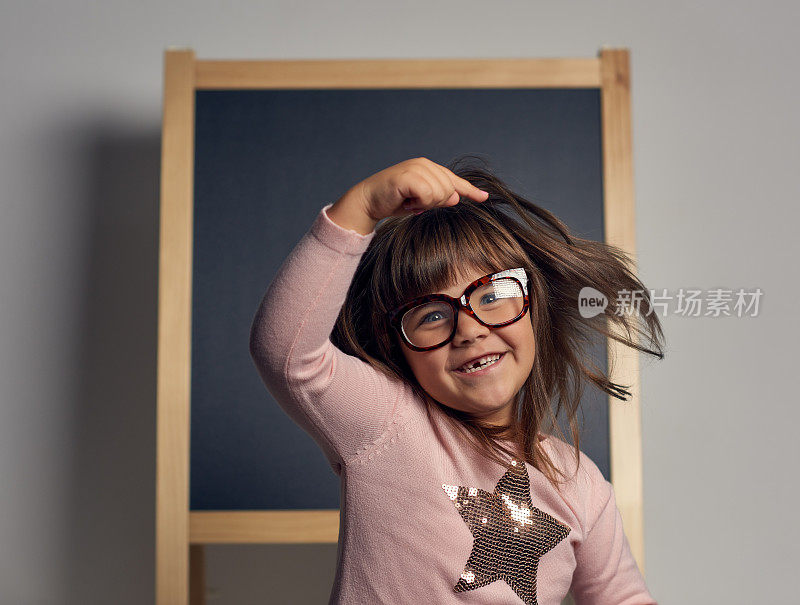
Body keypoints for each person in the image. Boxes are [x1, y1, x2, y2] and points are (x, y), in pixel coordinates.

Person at [249, 155, 665, 604]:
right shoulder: (386, 422)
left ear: (534, 307)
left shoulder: (580, 483)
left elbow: (621, 596)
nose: (469, 329)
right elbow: (286, 354)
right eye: (431, 315)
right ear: (399, 348)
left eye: (492, 294)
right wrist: (361, 206)